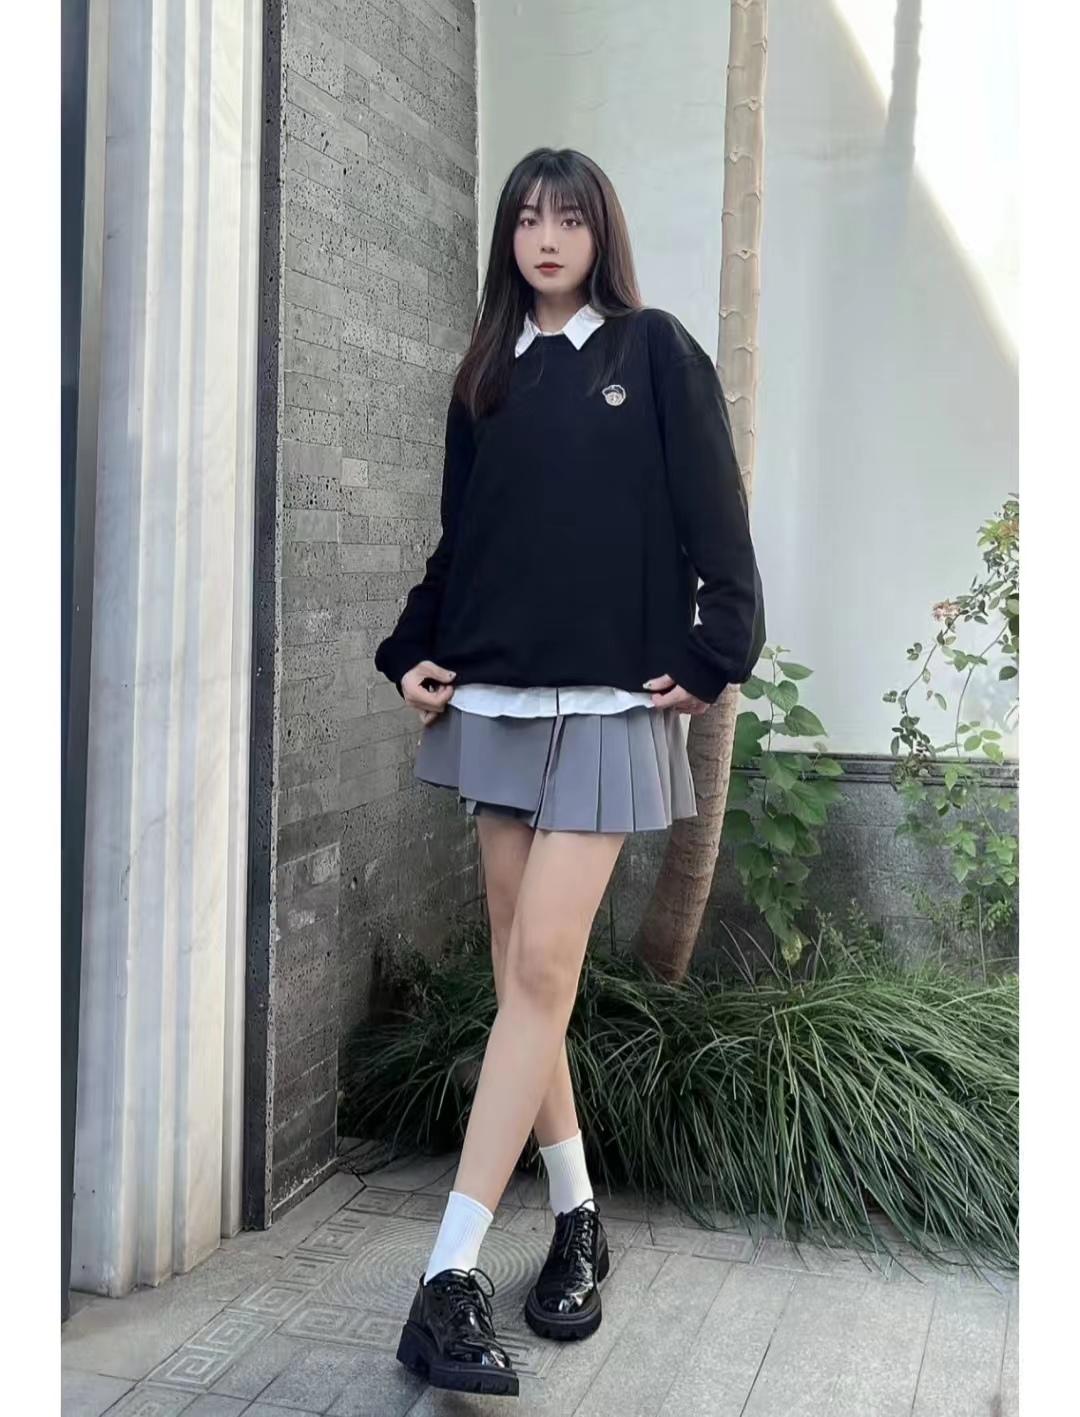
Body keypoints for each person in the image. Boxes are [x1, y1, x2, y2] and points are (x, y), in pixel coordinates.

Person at [373, 146, 766, 1398]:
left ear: (602, 234)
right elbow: (463, 538)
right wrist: (410, 647)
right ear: (509, 236)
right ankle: (580, 1214)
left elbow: (717, 518)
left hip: (605, 702)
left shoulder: (653, 353)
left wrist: (716, 649)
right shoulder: (487, 372)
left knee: (541, 971)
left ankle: (447, 1274)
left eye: (571, 218)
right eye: (529, 218)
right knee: (521, 982)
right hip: (493, 695)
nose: (547, 237)